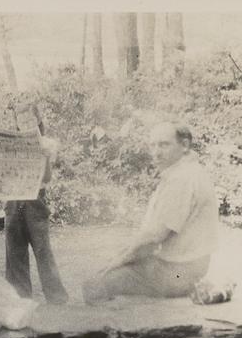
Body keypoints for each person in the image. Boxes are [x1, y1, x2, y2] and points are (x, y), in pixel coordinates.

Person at [82, 122, 218, 304]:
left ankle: (112, 319)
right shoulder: (188, 171)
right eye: (153, 145)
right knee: (113, 267)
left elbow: (155, 236)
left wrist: (121, 259)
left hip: (179, 272)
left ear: (184, 145)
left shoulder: (181, 179)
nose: (156, 152)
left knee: (95, 283)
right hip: (191, 267)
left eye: (164, 145)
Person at [2, 134, 70, 305]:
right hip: (13, 199)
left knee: (42, 249)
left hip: (35, 200)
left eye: (30, 119)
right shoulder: (9, 140)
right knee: (14, 249)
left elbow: (46, 178)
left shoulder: (47, 143)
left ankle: (57, 298)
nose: (24, 122)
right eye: (20, 119)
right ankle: (20, 297)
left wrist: (45, 156)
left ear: (38, 121)